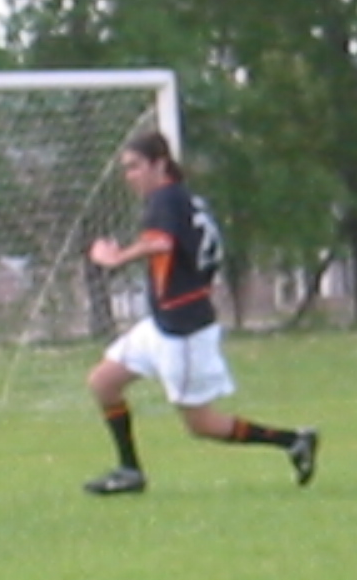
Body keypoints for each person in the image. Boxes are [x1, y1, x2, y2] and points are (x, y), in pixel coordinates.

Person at [81, 130, 318, 495]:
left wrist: (116, 257)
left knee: (203, 425)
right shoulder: (184, 199)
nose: (130, 176)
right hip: (163, 323)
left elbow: (161, 242)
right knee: (103, 382)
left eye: (135, 166)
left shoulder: (165, 198)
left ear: (160, 164)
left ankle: (293, 440)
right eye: (126, 169)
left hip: (184, 329)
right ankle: (129, 471)